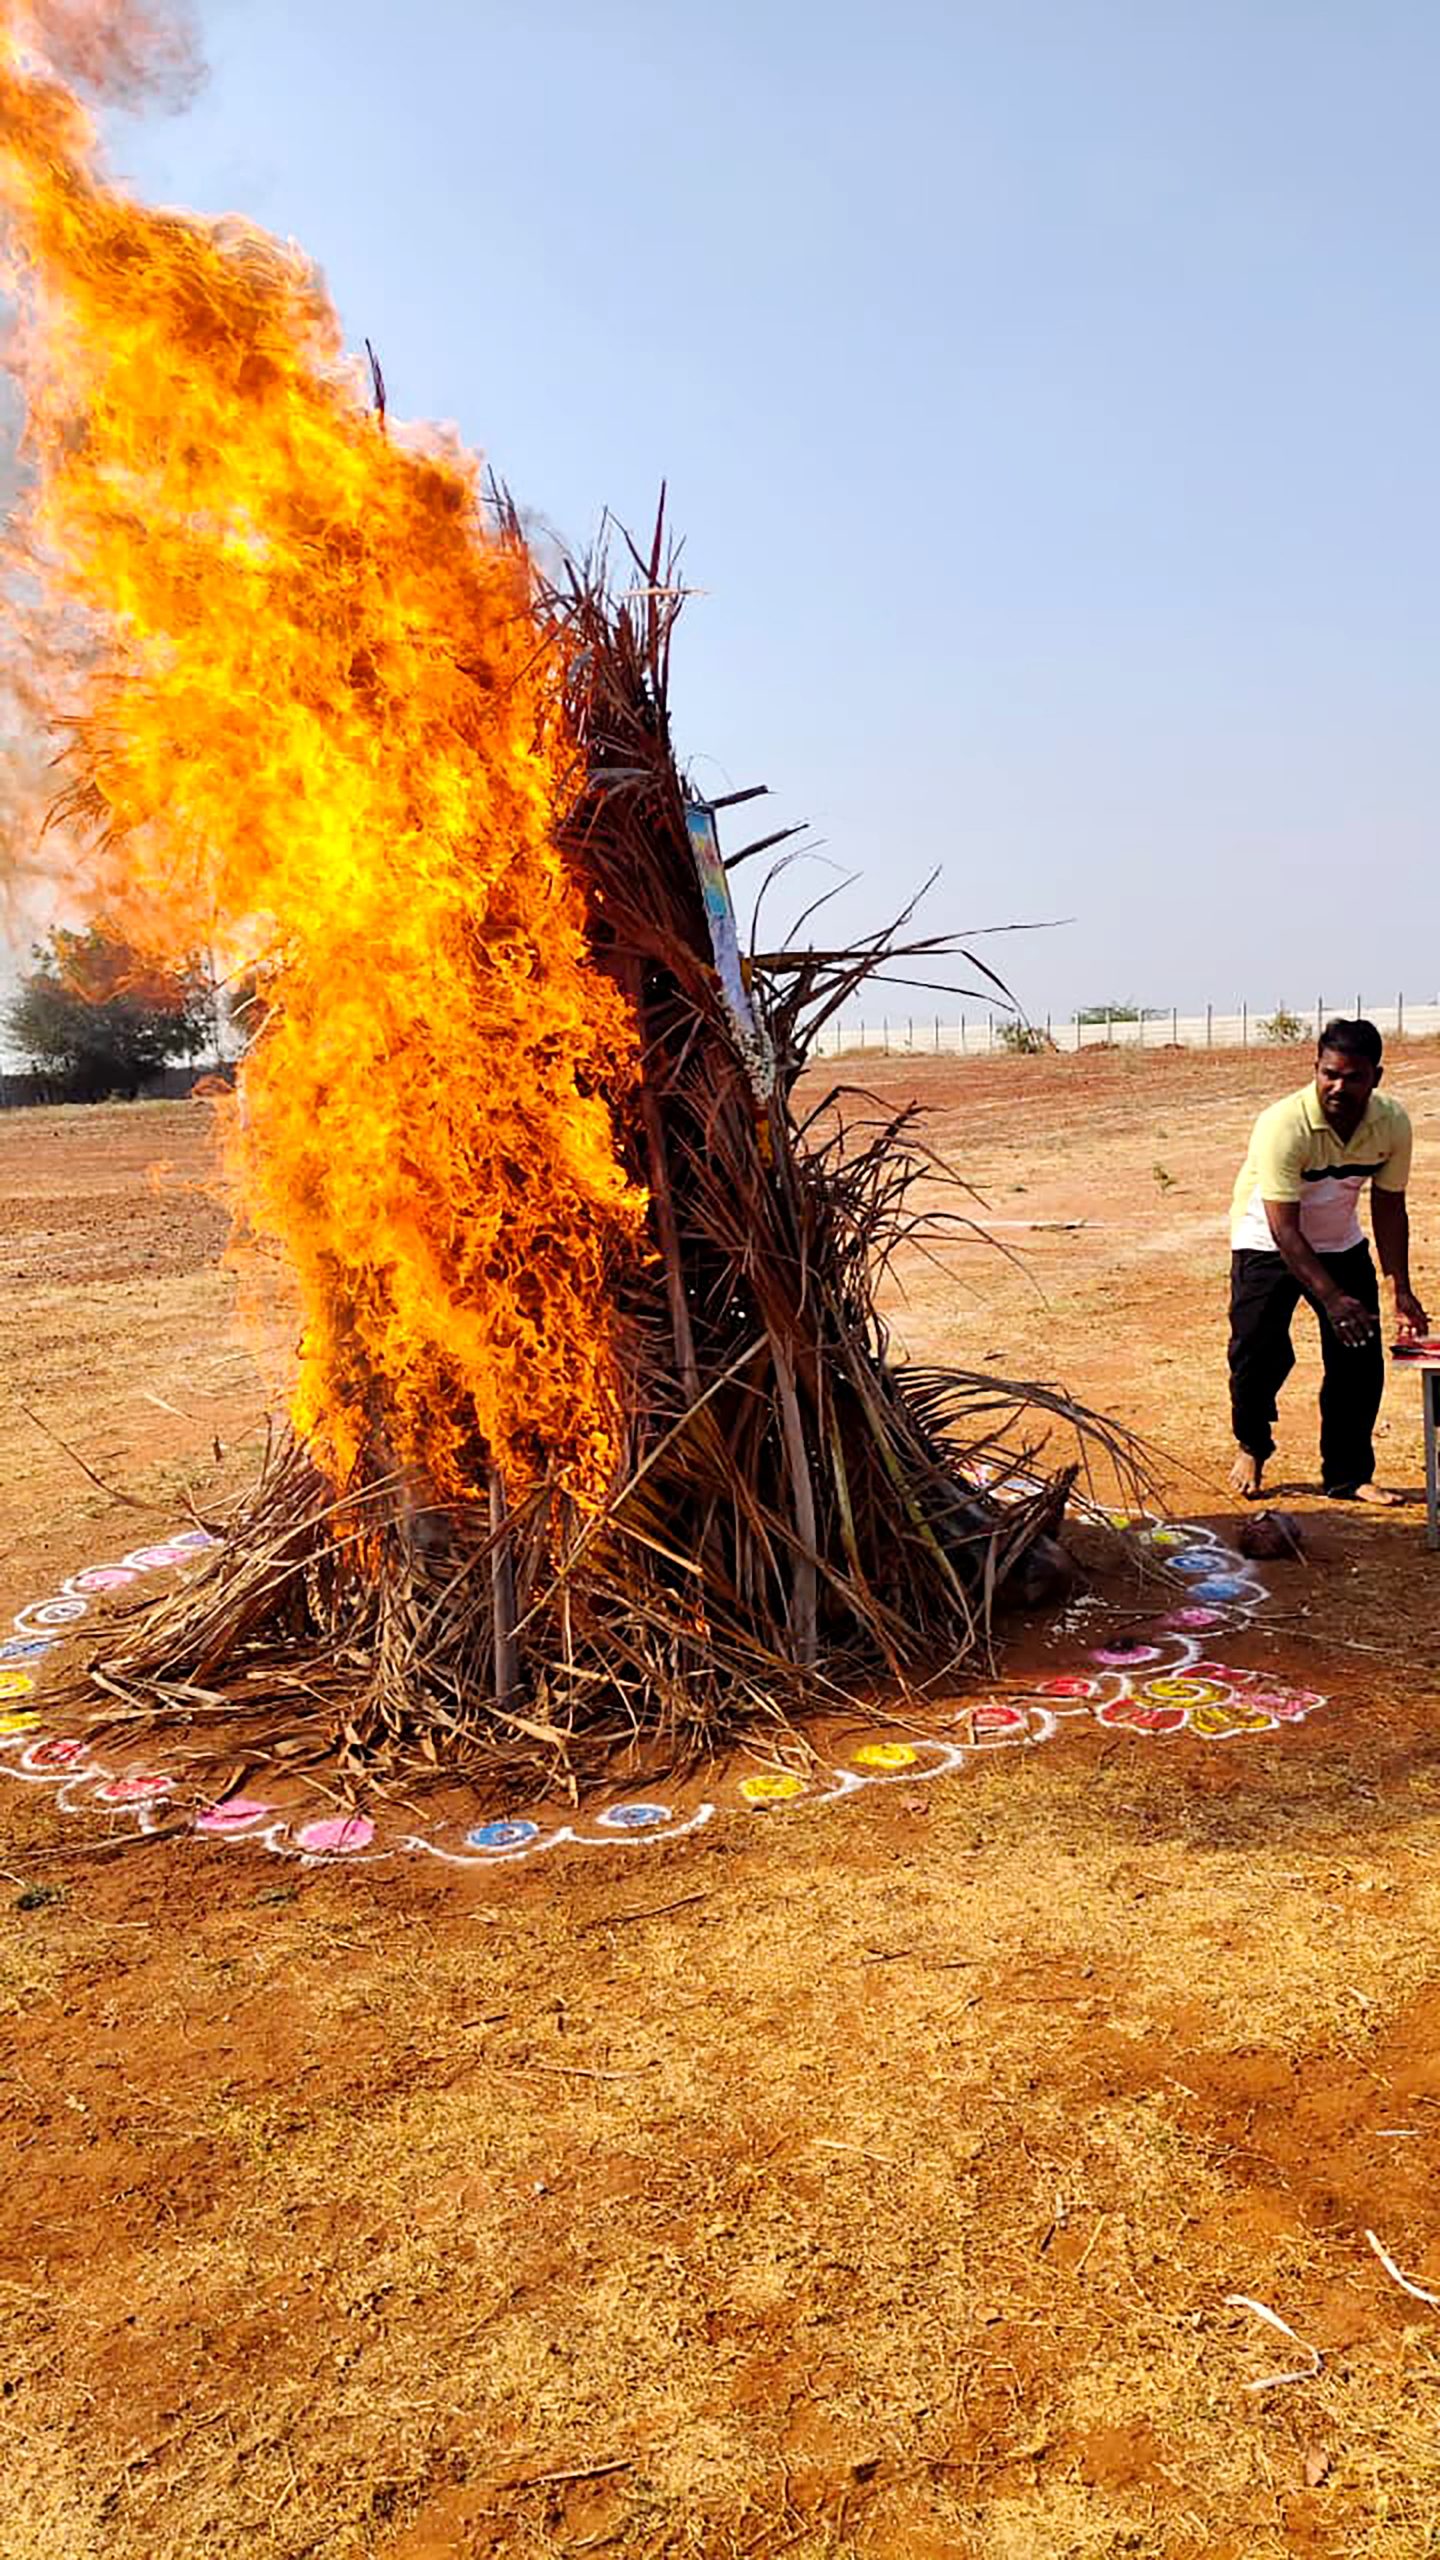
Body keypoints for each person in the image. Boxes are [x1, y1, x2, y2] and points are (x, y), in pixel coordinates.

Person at [1227, 1018, 1427, 1503]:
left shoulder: (1391, 1123)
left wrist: (1399, 1288)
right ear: (1315, 1068)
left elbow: (1389, 1207)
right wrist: (1333, 1299)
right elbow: (1284, 1229)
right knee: (1256, 1354)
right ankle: (1252, 1445)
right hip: (1268, 1243)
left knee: (1359, 1360)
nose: (1338, 1086)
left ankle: (1348, 1474)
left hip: (1340, 1244)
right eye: (1329, 1074)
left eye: (1353, 1077)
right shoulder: (1283, 1124)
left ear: (1376, 1077)